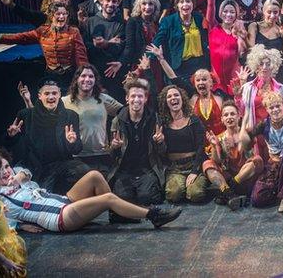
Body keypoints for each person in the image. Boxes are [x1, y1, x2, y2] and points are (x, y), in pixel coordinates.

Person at [0, 157, 181, 233]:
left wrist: (19, 176)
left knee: (94, 176)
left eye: (7, 166)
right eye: (1, 169)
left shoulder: (15, 176)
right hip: (59, 217)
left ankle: (118, 213)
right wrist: (24, 226)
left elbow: (25, 171)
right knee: (108, 198)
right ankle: (153, 216)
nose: (7, 171)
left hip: (62, 200)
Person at [3, 78, 90, 195]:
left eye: (54, 93)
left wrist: (72, 142)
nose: (51, 97)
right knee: (44, 196)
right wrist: (12, 136)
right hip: (35, 167)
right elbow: (9, 146)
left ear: (59, 94)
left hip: (62, 164)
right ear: (40, 96)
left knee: (84, 171)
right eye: (47, 93)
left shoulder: (71, 116)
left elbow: (77, 149)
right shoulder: (26, 115)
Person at [0, 4, 88, 85]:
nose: (61, 17)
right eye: (58, 14)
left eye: (64, 14)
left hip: (69, 77)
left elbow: (81, 58)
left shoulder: (73, 32)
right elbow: (18, 38)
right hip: (50, 77)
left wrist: (84, 77)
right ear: (51, 16)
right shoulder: (43, 31)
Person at [108, 79, 165, 209]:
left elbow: (162, 153)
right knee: (124, 199)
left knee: (147, 198)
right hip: (125, 170)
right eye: (133, 96)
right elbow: (112, 156)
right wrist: (114, 147)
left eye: (140, 96)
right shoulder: (117, 121)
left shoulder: (154, 118)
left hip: (147, 168)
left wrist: (160, 142)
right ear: (127, 98)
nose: (136, 99)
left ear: (145, 99)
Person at [202, 100, 263, 209]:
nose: (229, 117)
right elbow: (216, 162)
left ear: (239, 116)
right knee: (207, 163)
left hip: (244, 178)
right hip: (228, 177)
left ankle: (231, 188)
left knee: (257, 160)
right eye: (226, 115)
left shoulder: (246, 133)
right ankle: (227, 192)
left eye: (232, 114)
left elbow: (251, 155)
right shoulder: (219, 137)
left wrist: (239, 141)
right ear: (222, 119)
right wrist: (215, 146)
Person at [62, 65, 124, 171]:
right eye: (83, 76)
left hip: (102, 156)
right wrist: (28, 102)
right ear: (77, 79)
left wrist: (117, 132)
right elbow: (44, 116)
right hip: (75, 156)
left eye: (91, 76)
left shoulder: (104, 99)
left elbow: (127, 113)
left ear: (95, 80)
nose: (87, 79)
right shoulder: (65, 101)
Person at [155, 83, 209, 203]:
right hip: (175, 168)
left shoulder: (193, 120)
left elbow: (201, 147)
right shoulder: (162, 124)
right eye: (169, 97)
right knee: (173, 195)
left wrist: (195, 171)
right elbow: (161, 153)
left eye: (176, 95)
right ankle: (183, 187)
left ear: (182, 99)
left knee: (196, 195)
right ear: (165, 102)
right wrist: (160, 142)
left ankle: (193, 185)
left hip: (194, 164)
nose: (173, 98)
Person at [203, 0, 246, 96]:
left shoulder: (238, 31)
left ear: (236, 15)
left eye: (232, 12)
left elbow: (242, 53)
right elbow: (211, 5)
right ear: (220, 13)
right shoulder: (213, 26)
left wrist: (239, 37)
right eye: (225, 11)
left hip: (234, 79)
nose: (228, 14)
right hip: (216, 81)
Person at [151, 0, 209, 80]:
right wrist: (147, 59)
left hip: (199, 65)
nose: (185, 4)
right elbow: (157, 41)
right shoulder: (168, 21)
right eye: (181, 2)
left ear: (193, 4)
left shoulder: (198, 18)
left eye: (188, 1)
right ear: (177, 6)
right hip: (179, 66)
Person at [81, 0, 126, 97]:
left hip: (113, 72)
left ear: (118, 3)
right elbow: (84, 46)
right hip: (93, 71)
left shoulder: (122, 23)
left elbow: (118, 48)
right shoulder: (90, 22)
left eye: (114, 1)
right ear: (101, 1)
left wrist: (104, 44)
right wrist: (109, 42)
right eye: (108, 0)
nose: (110, 4)